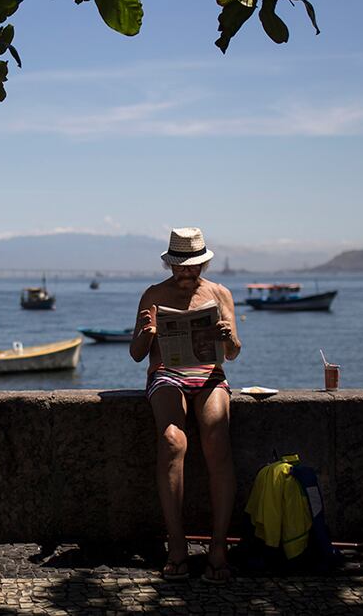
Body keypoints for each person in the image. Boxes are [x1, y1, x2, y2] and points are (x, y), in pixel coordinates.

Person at [130, 226, 242, 584]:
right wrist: (146, 336)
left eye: (193, 266)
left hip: (209, 373)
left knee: (217, 439)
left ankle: (219, 547)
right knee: (172, 441)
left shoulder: (220, 293)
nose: (186, 273)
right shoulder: (152, 295)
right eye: (180, 266)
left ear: (203, 265)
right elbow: (136, 355)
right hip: (167, 374)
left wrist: (229, 338)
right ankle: (176, 545)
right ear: (170, 264)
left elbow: (235, 353)